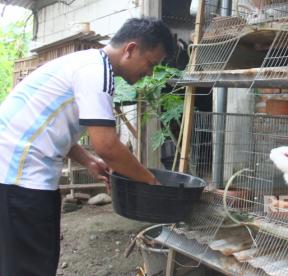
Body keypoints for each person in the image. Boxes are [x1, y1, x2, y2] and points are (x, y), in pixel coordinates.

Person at [0, 18, 174, 276]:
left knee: (16, 262)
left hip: (11, 174)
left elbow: (50, 125)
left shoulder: (85, 63)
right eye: (151, 64)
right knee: (30, 266)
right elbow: (107, 145)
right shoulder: (97, 72)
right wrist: (151, 182)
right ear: (130, 49)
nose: (149, 73)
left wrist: (88, 161)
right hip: (20, 180)